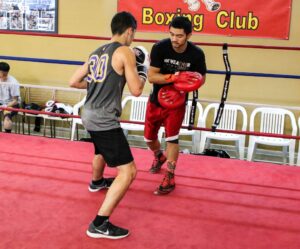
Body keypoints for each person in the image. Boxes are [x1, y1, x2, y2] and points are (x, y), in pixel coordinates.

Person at [69, 11, 148, 239]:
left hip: (88, 113)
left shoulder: (96, 52)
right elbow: (136, 89)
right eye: (134, 33)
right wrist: (142, 70)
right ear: (130, 31)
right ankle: (99, 223)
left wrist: (96, 85)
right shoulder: (125, 52)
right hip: (104, 118)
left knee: (100, 150)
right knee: (128, 171)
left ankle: (96, 182)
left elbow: (73, 81)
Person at [144, 16, 207, 195]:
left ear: (188, 35)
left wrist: (190, 83)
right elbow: (151, 76)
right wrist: (173, 78)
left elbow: (201, 78)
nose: (174, 39)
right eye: (171, 34)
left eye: (179, 36)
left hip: (177, 103)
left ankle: (170, 176)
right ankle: (158, 156)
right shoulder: (160, 48)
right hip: (156, 99)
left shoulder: (196, 54)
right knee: (149, 137)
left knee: (172, 138)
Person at [0, 61, 20, 133]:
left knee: (7, 117)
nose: (4, 76)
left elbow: (15, 101)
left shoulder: (13, 82)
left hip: (12, 104)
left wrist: (5, 106)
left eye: (5, 74)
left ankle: (7, 135)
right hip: (1, 103)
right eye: (2, 74)